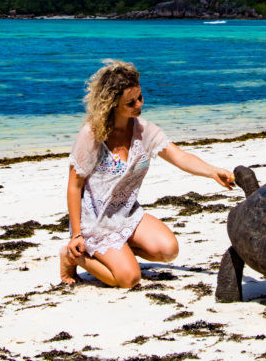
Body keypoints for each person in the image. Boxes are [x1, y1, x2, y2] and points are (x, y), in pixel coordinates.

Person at [59, 59, 235, 287]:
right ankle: (73, 258)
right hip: (93, 222)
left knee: (168, 250)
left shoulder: (144, 131)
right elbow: (74, 186)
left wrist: (213, 172)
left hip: (126, 214)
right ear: (112, 104)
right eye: (130, 103)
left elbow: (179, 157)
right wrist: (76, 235)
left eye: (140, 97)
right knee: (129, 279)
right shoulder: (92, 135)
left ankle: (119, 252)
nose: (139, 104)